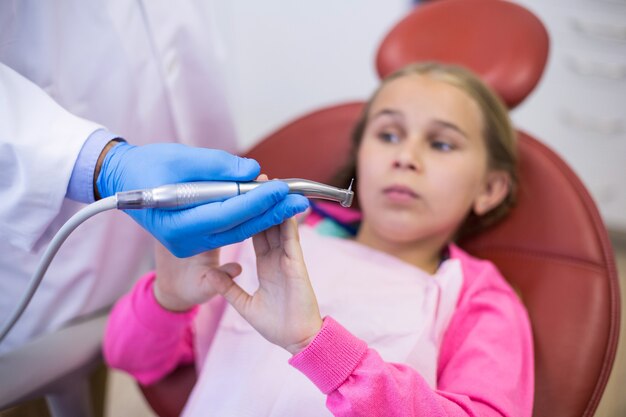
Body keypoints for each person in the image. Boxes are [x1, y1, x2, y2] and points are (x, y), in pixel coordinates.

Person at [104, 62, 534, 416]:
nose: (405, 157)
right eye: (388, 135)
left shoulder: (478, 299)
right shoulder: (261, 246)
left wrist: (319, 347)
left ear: (489, 189)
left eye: (441, 144)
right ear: (360, 155)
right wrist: (168, 300)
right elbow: (127, 357)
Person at [0, 3, 308, 354]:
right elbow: (129, 354)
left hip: (187, 210)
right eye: (384, 134)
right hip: (51, 242)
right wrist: (101, 165)